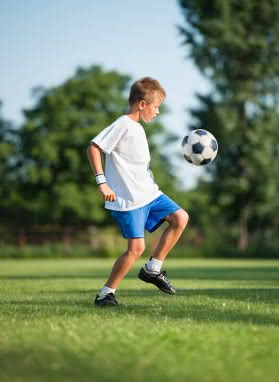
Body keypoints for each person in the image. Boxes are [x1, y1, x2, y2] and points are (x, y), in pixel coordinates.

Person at [87, 77, 189, 307]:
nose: (158, 112)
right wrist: (102, 182)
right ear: (142, 104)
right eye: (156, 106)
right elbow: (94, 147)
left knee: (180, 218)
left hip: (149, 194)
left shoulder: (139, 129)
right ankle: (105, 293)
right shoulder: (122, 124)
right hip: (128, 200)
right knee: (136, 249)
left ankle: (153, 269)